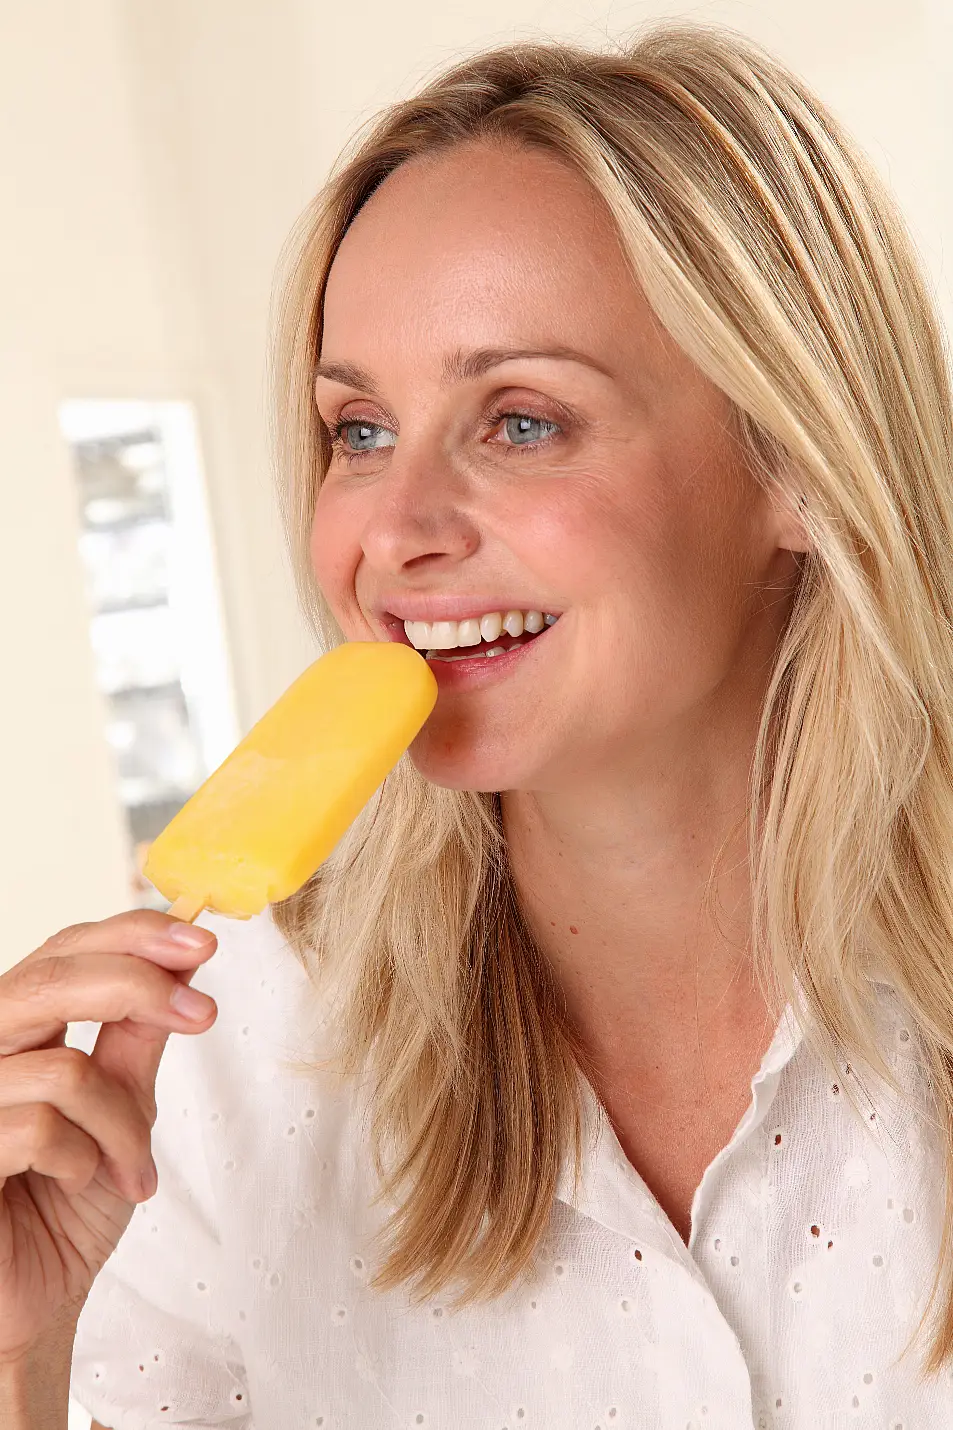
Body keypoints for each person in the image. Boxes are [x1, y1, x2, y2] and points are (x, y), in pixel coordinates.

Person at [3, 18, 953, 1429]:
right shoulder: (217, 1064)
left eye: (520, 420)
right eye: (359, 431)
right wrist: (19, 1359)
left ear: (797, 464)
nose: (393, 533)